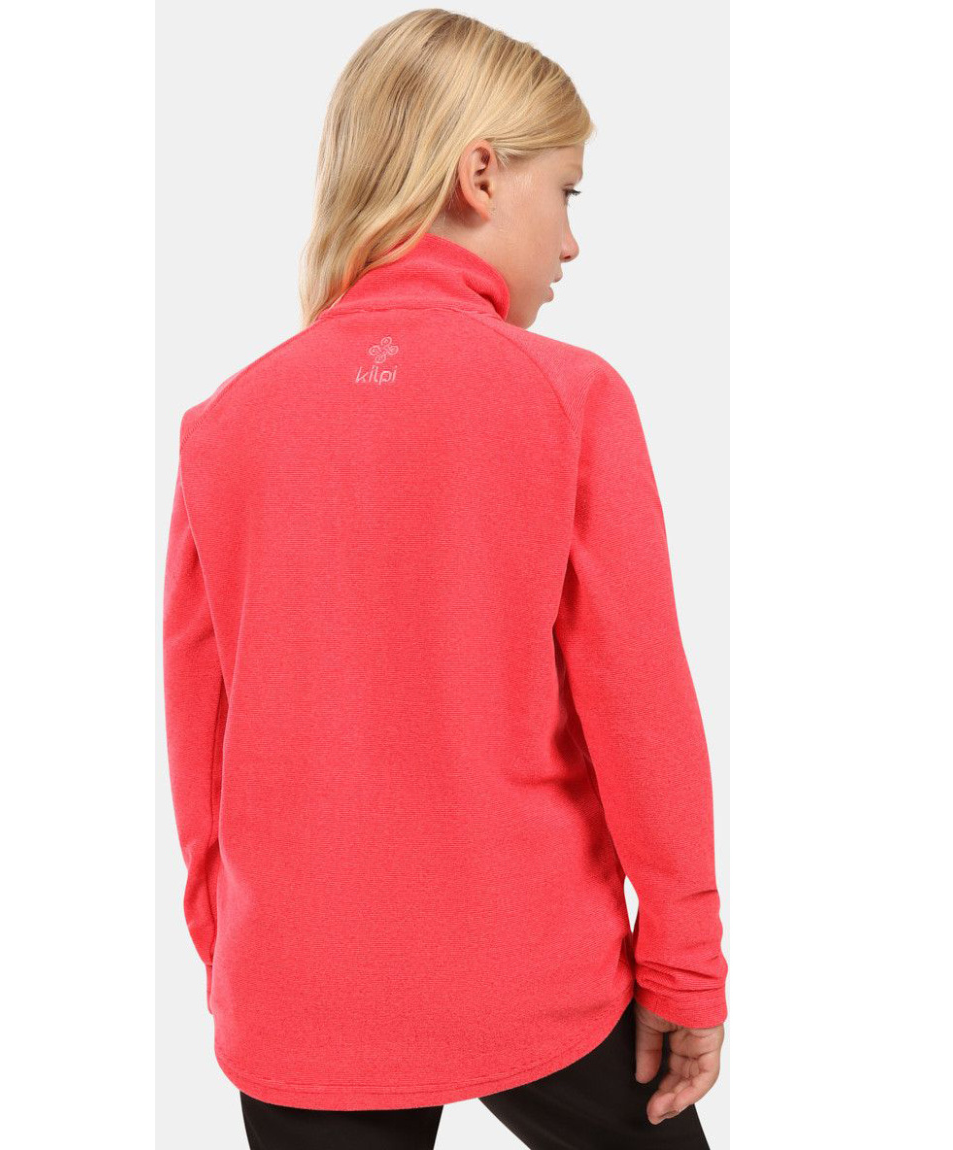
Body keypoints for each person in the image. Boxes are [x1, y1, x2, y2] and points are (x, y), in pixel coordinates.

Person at [162, 9, 728, 1148]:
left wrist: (233, 953)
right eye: (566, 192)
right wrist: (685, 963)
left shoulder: (227, 422)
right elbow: (642, 714)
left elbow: (200, 730)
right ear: (480, 175)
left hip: (300, 988)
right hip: (537, 973)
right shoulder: (569, 397)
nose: (572, 243)